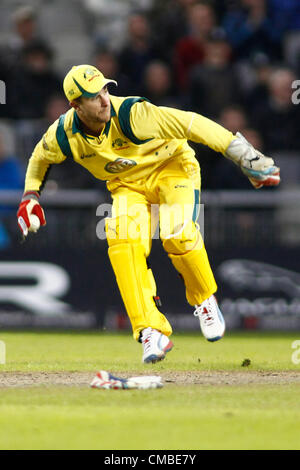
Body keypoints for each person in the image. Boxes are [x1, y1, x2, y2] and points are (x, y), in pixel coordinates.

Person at [17, 64, 280, 363]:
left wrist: (242, 153)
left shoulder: (132, 114)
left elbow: (191, 124)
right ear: (76, 105)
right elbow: (40, 157)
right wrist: (31, 195)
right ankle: (149, 331)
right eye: (94, 96)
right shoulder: (64, 134)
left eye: (105, 89)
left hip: (173, 169)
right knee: (121, 240)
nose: (105, 100)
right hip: (128, 186)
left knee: (176, 233)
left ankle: (205, 298)